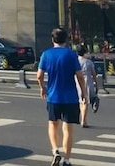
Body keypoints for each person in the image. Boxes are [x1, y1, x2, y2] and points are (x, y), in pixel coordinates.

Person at [36, 27, 86, 166]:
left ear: (52, 39)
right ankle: (67, 160)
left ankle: (55, 151)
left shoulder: (46, 54)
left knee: (53, 124)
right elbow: (80, 76)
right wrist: (83, 92)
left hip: (53, 96)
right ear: (66, 40)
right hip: (70, 97)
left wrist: (42, 87)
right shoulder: (71, 55)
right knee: (68, 128)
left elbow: (39, 76)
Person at [76, 44, 99, 126]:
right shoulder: (89, 62)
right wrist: (96, 84)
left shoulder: (75, 61)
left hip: (77, 83)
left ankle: (81, 118)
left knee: (80, 101)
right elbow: (94, 74)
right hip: (87, 83)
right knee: (85, 101)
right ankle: (83, 120)